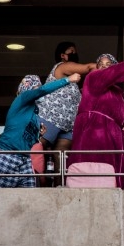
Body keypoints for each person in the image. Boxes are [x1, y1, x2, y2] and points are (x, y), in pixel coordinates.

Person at [67, 54, 124, 189]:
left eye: (108, 65)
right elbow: (109, 74)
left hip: (113, 136)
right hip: (94, 131)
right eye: (101, 64)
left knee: (113, 176)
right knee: (94, 171)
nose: (104, 67)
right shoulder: (92, 78)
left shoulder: (117, 92)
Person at [0, 73, 81, 188]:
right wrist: (67, 80)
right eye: (36, 87)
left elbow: (27, 139)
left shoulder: (35, 113)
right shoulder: (22, 99)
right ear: (28, 88)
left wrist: (37, 135)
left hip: (24, 157)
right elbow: (42, 91)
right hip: (7, 153)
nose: (38, 91)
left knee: (30, 196)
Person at [36, 41, 97, 169]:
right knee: (36, 149)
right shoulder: (62, 67)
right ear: (62, 55)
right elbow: (89, 67)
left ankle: (61, 187)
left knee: (62, 159)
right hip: (51, 118)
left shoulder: (73, 84)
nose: (74, 53)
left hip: (68, 125)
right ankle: (28, 181)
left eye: (75, 51)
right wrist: (108, 68)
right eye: (71, 51)